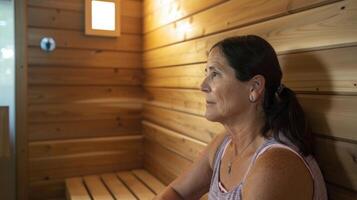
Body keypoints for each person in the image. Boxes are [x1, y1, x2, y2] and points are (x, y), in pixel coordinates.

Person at [154, 35, 327, 200]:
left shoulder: (274, 167)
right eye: (206, 73)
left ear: (254, 87)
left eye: (215, 74)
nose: (203, 86)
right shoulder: (224, 144)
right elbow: (176, 192)